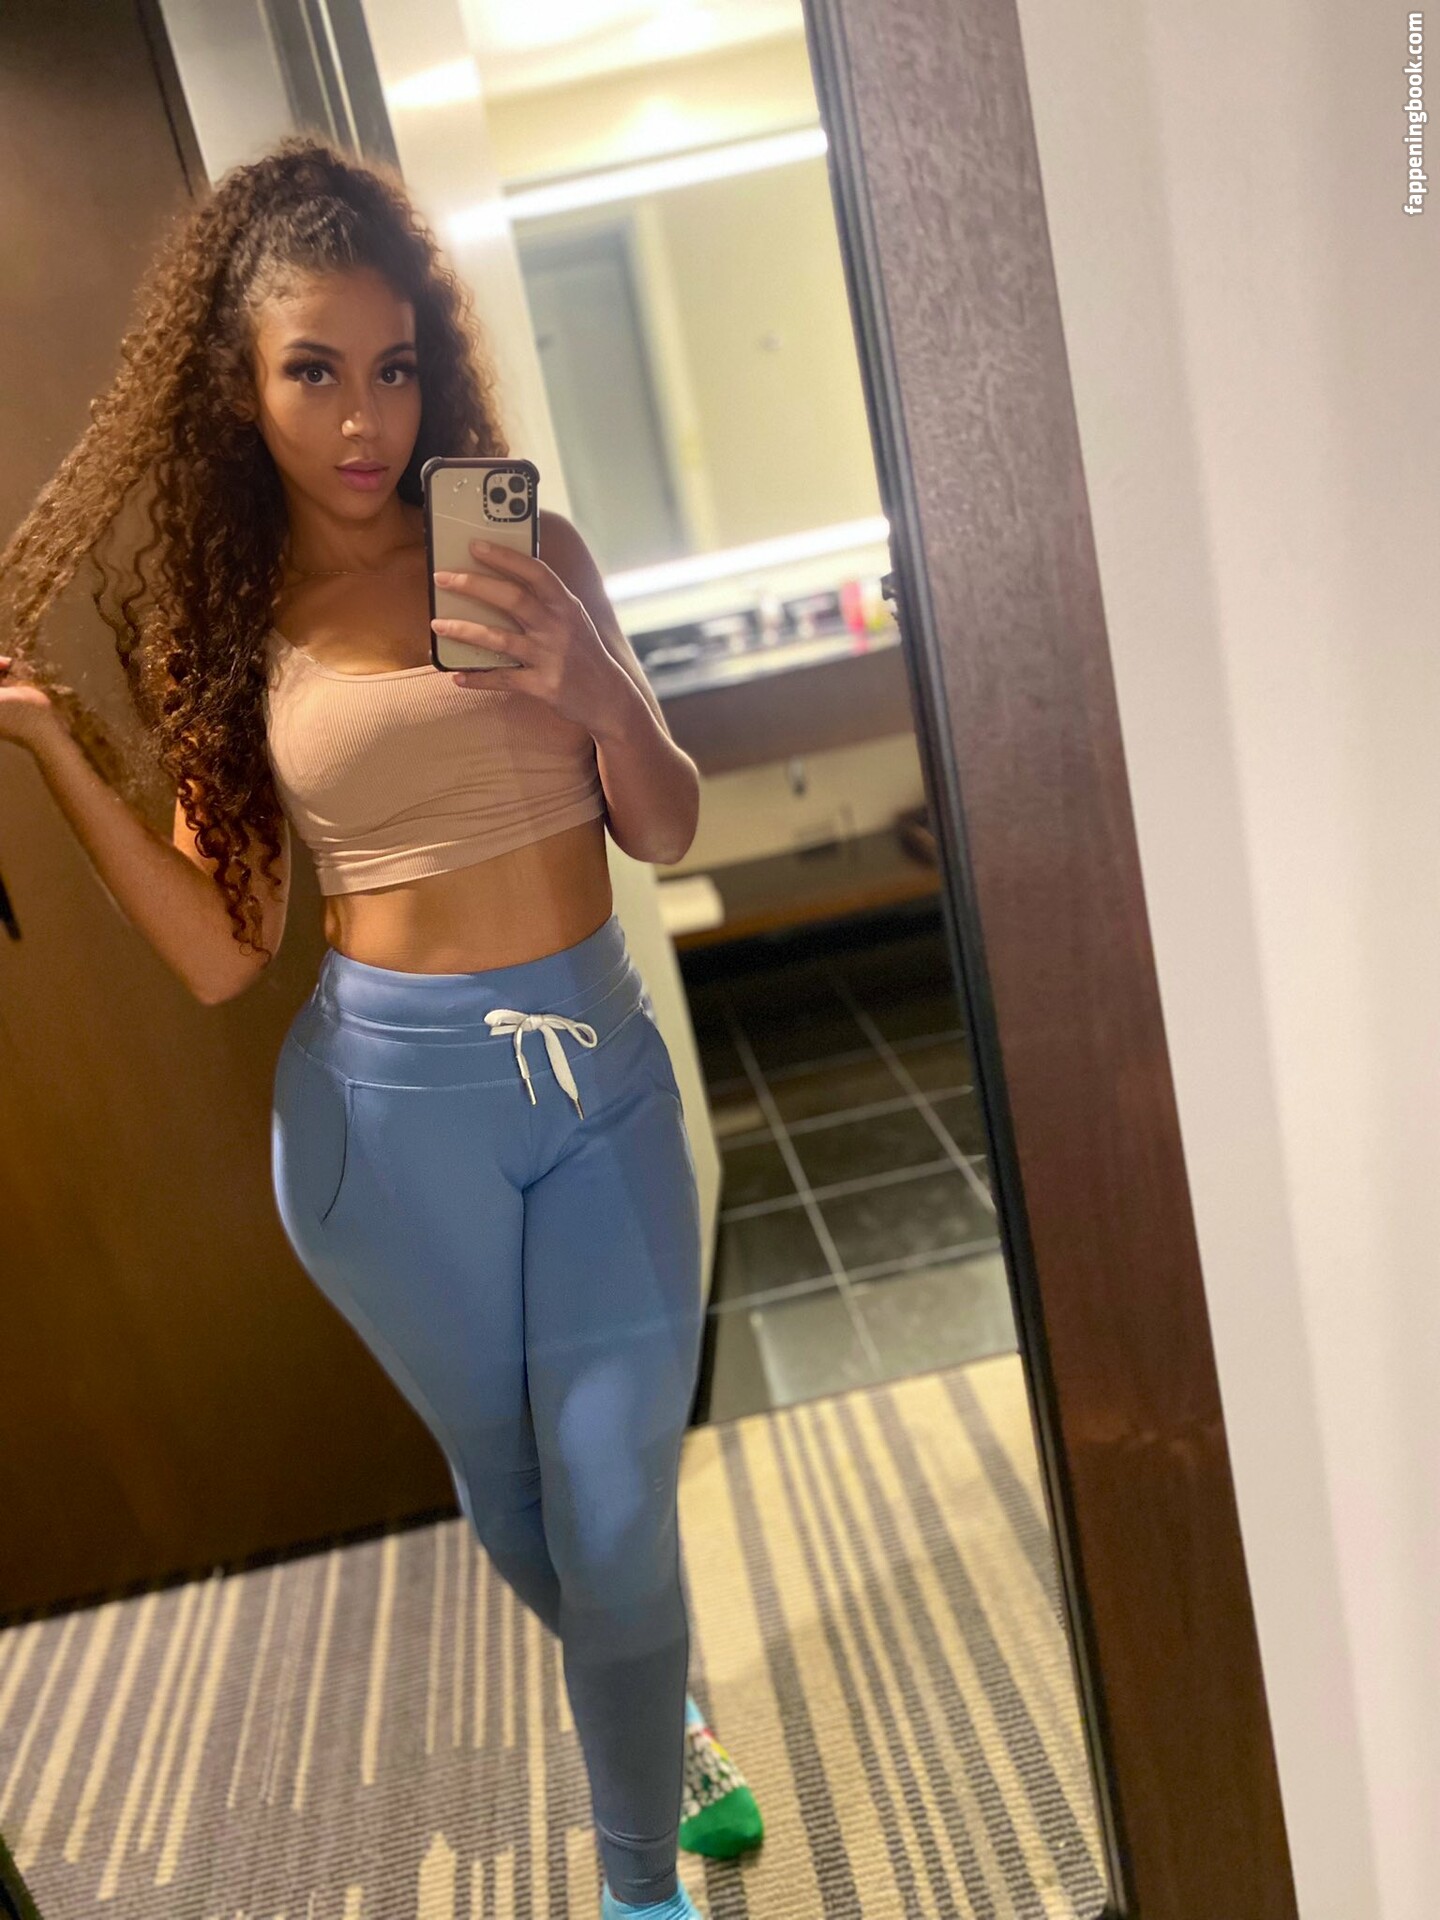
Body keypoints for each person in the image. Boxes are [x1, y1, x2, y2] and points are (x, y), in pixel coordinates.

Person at [0, 134, 762, 1920]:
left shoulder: (529, 548)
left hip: (597, 1084)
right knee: (517, 1499)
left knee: (617, 1508)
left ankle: (637, 1886)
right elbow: (223, 953)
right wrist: (47, 746)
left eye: (395, 366)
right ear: (239, 388)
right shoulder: (234, 634)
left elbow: (663, 825)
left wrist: (593, 684)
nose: (365, 419)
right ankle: (663, 1715)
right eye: (314, 373)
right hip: (386, 1129)